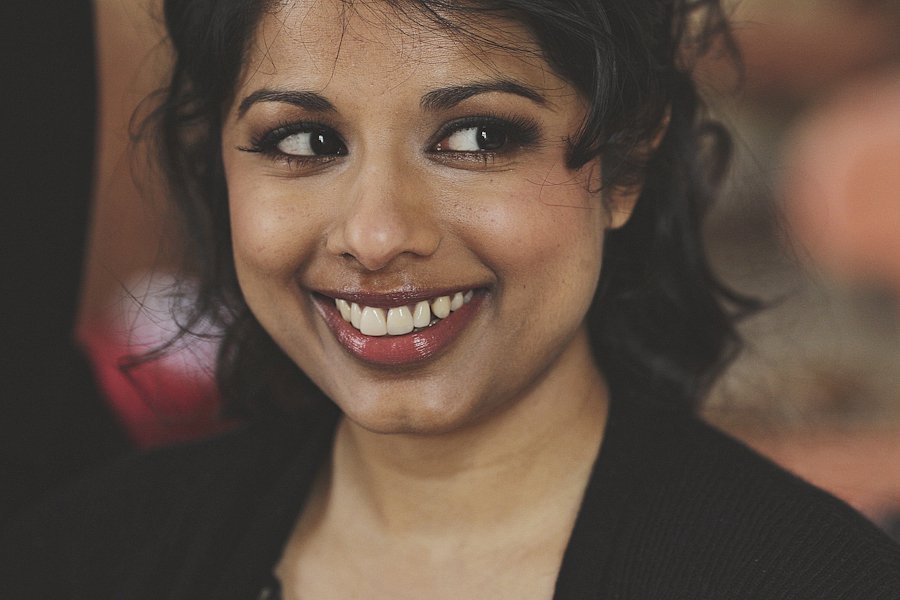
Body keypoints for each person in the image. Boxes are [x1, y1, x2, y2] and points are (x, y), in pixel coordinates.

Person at [2, 0, 900, 598]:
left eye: (476, 135)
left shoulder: (804, 579)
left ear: (624, 162)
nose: (378, 232)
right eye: (305, 138)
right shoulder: (85, 560)